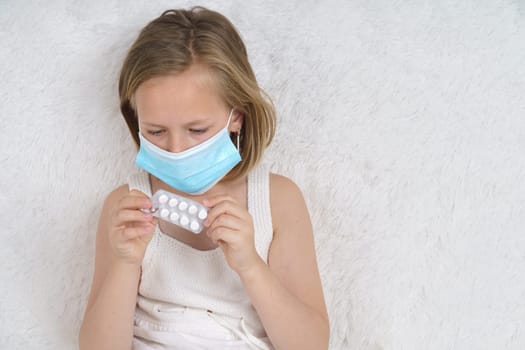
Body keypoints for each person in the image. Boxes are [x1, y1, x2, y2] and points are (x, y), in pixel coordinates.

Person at [79, 6, 329, 350]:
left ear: (237, 116)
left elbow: (311, 344)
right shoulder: (127, 208)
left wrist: (251, 266)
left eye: (196, 130)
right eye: (155, 131)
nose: (177, 148)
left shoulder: (277, 201)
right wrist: (125, 262)